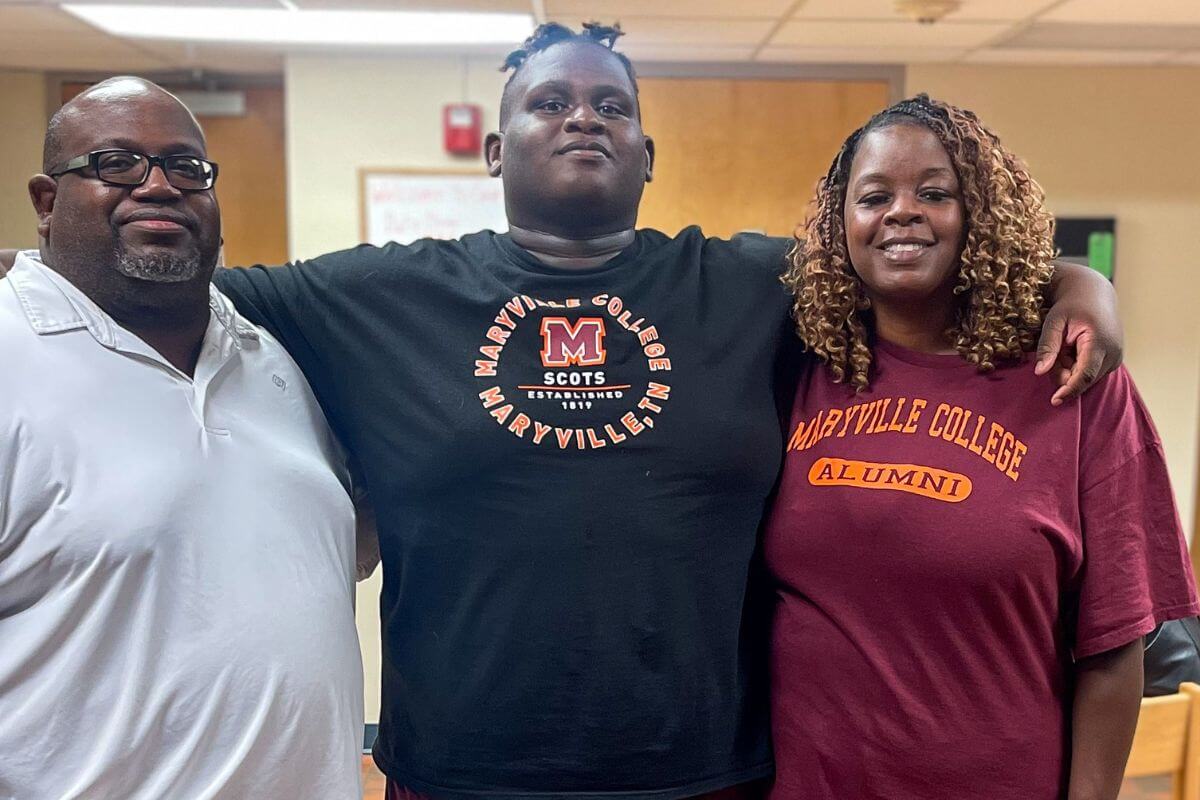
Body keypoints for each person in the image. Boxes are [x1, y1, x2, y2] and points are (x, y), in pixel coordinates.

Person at [201, 25, 1129, 800]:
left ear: (648, 156)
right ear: (495, 151)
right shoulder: (382, 294)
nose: (583, 118)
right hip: (463, 770)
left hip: (703, 773)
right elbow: (189, 297)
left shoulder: (748, 284)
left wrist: (1079, 283)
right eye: (549, 102)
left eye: (612, 106)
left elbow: (912, 247)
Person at [765, 94, 1198, 800]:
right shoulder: (798, 366)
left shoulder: (1072, 381)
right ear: (838, 224)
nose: (903, 211)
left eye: (934, 192)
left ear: (980, 217)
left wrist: (1085, 285)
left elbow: (1117, 643)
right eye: (874, 195)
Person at [0, 77, 369, 798]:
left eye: (186, 167)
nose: (159, 186)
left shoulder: (278, 357)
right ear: (47, 203)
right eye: (116, 164)